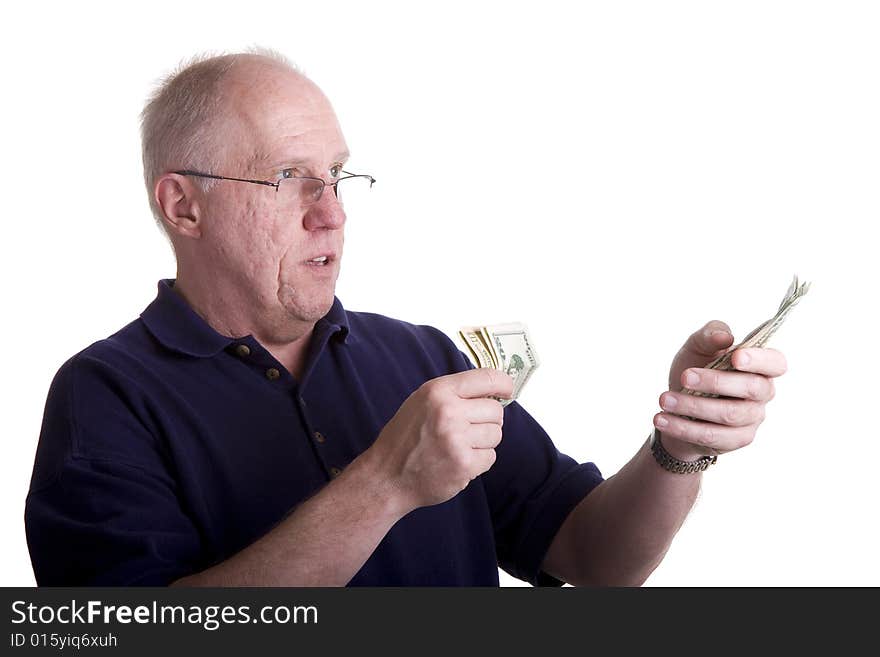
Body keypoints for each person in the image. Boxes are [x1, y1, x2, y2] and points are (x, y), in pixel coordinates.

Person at [24, 50, 787, 586]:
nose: (332, 213)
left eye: (338, 175)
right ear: (184, 205)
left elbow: (595, 557)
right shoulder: (103, 395)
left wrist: (677, 448)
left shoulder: (422, 357)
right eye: (290, 178)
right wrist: (386, 481)